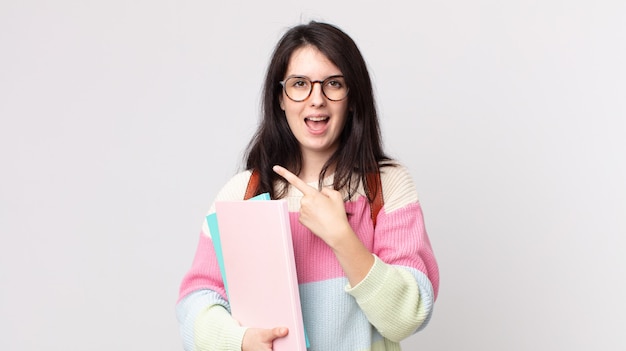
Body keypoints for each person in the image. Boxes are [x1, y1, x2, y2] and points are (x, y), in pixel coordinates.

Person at [176, 21, 439, 351]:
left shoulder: (386, 186)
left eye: (333, 84)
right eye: (300, 84)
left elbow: (407, 317)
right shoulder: (242, 194)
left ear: (353, 98)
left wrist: (341, 236)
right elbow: (195, 302)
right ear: (281, 99)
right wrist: (240, 341)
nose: (317, 99)